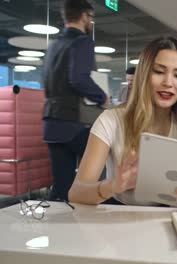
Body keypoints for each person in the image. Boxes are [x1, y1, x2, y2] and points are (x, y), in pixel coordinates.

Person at [68, 36, 177, 210]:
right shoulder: (111, 121)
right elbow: (76, 193)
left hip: (171, 216)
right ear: (144, 75)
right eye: (159, 71)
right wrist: (113, 186)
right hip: (120, 215)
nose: (168, 83)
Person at [42, 0, 108, 201]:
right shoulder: (83, 42)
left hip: (51, 123)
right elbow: (78, 78)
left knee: (61, 187)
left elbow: (46, 81)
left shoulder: (53, 46)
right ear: (84, 16)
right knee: (99, 176)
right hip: (74, 122)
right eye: (90, 18)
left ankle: (57, 231)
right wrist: (101, 96)